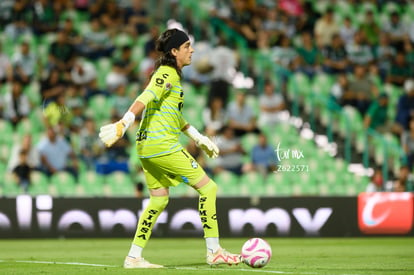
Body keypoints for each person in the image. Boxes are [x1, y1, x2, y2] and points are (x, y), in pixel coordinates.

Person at [99, 28, 241, 268]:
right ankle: (214, 250)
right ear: (174, 51)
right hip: (161, 145)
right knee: (209, 188)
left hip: (145, 148)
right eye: (187, 46)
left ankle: (133, 257)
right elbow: (147, 94)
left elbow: (175, 116)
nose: (192, 50)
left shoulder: (172, 75)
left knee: (158, 200)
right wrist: (125, 121)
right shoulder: (167, 73)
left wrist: (199, 138)